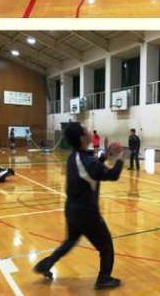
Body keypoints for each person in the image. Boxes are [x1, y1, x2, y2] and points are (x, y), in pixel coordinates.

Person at [34, 122, 124, 290]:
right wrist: (119, 157)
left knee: (70, 241)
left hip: (72, 209)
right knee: (106, 246)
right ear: (82, 138)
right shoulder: (87, 160)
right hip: (86, 212)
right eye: (86, 130)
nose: (90, 131)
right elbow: (112, 174)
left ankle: (45, 264)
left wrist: (105, 155)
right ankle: (104, 279)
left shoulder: (75, 156)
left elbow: (92, 168)